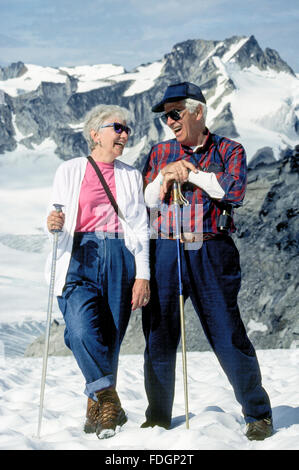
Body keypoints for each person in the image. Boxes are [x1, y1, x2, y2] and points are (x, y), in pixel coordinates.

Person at [141, 82, 273, 441]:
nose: (169, 122)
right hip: (165, 248)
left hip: (211, 249)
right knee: (158, 335)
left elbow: (235, 191)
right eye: (166, 116)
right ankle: (157, 417)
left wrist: (191, 174)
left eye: (175, 113)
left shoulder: (230, 149)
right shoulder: (158, 153)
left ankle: (257, 413)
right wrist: (166, 175)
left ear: (197, 111)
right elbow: (146, 201)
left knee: (227, 333)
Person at [45, 104, 150, 439]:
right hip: (80, 253)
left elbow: (141, 227)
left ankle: (99, 410)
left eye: (127, 129)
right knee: (77, 329)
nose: (124, 134)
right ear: (94, 133)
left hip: (121, 254)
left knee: (110, 338)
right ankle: (108, 395)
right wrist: (51, 223)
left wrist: (143, 274)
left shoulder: (131, 175)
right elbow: (57, 214)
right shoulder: (70, 170)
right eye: (117, 127)